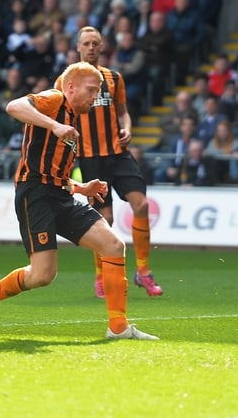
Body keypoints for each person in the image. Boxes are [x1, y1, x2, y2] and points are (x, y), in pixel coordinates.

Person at [0, 62, 158, 341]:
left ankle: (118, 326)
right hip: (35, 195)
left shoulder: (75, 119)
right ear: (71, 87)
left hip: (61, 195)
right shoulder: (54, 99)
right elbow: (14, 107)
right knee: (42, 275)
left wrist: (81, 188)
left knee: (113, 245)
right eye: (91, 90)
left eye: (99, 91)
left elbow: (56, 175)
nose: (95, 96)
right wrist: (53, 125)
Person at [55, 26, 163, 298]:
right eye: (86, 43)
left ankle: (143, 271)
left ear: (102, 47)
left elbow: (123, 112)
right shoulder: (66, 80)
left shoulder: (113, 78)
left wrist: (127, 128)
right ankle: (101, 276)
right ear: (78, 47)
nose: (91, 47)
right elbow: (59, 116)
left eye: (96, 43)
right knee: (105, 220)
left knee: (141, 204)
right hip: (90, 158)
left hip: (118, 154)